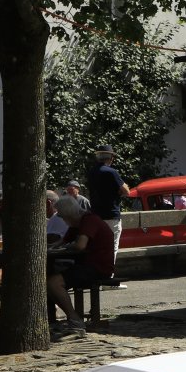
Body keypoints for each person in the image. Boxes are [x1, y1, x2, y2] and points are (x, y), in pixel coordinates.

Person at [46, 194, 117, 339]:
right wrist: (51, 247)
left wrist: (66, 246)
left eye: (63, 217)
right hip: (86, 265)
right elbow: (61, 242)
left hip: (97, 267)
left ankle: (74, 319)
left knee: (53, 283)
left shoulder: (89, 221)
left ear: (68, 215)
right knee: (47, 280)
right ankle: (54, 319)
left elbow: (80, 245)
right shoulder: (77, 224)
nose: (63, 220)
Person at [84, 145, 131, 249]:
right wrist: (118, 191)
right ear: (111, 158)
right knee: (112, 247)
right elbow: (127, 191)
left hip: (96, 215)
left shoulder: (91, 172)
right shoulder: (111, 172)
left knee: (99, 247)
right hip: (111, 215)